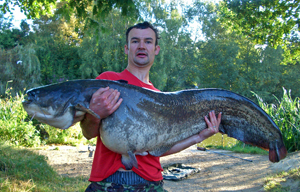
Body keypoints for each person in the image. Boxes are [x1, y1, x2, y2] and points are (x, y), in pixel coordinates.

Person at [80, 21, 222, 192]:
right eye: (135, 41)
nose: (141, 46)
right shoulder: (107, 82)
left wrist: (198, 137)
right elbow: (88, 133)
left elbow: (159, 149)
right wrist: (95, 114)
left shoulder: (160, 98)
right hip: (107, 182)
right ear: (126, 48)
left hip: (150, 183)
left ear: (156, 49)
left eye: (148, 41)